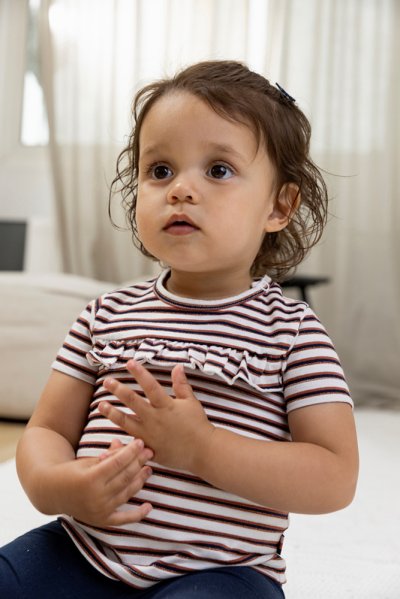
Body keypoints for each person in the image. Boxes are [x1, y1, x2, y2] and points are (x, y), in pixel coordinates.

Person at [0, 60, 359, 598]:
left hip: (220, 571)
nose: (181, 190)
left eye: (219, 170)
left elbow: (334, 476)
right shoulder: (104, 314)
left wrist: (204, 449)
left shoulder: (291, 331)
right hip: (84, 549)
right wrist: (57, 484)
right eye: (161, 169)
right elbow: (47, 430)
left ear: (279, 206)